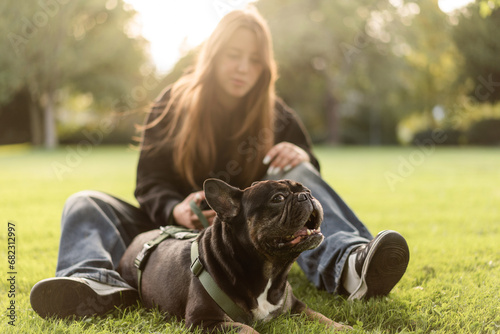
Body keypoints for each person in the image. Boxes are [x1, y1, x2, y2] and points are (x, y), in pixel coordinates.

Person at [30, 6, 409, 319]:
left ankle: (349, 265)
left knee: (298, 172)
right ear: (212, 55)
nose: (244, 67)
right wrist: (175, 209)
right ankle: (96, 284)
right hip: (164, 236)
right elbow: (148, 182)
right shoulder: (172, 105)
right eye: (234, 55)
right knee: (84, 202)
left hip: (242, 239)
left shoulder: (276, 115)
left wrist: (302, 156)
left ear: (266, 67)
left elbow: (303, 189)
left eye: (254, 60)